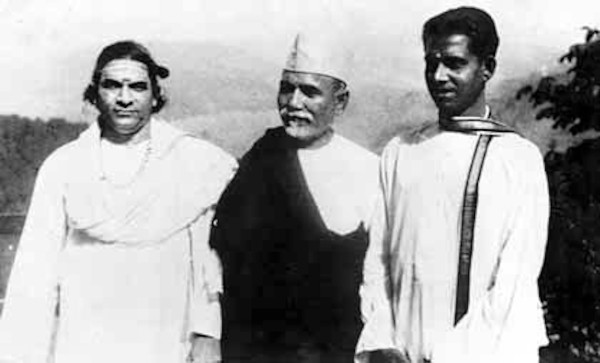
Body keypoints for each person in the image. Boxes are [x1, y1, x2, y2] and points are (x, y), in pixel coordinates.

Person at [0, 40, 237, 363]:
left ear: (155, 96)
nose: (124, 98)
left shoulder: (196, 162)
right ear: (95, 94)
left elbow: (209, 259)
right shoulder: (64, 166)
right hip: (86, 338)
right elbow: (35, 273)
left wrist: (207, 332)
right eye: (112, 86)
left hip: (167, 335)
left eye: (137, 87)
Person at [356, 7, 550, 363]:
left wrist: (449, 356)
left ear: (487, 68)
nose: (439, 76)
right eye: (431, 63)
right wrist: (383, 340)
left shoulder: (517, 159)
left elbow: (514, 283)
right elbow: (378, 259)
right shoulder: (400, 152)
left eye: (455, 64)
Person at [210, 32, 379, 362]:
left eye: (310, 92)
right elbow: (219, 254)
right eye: (287, 88)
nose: (293, 103)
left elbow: (379, 273)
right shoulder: (259, 160)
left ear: (340, 101)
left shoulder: (369, 171)